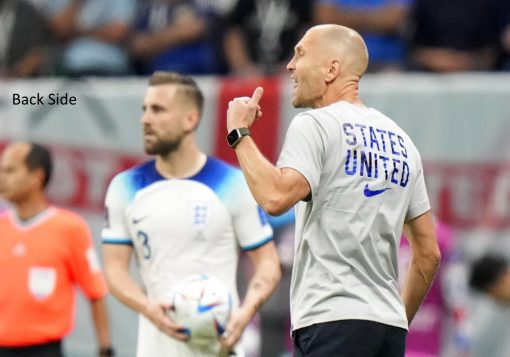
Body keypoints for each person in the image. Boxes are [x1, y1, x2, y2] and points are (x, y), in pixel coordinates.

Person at [225, 24, 441, 356]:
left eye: (300, 54)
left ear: (332, 69)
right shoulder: (402, 143)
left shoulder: (316, 125)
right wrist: (395, 320)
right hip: (388, 331)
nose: (290, 65)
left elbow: (275, 197)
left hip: (332, 321)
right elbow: (428, 255)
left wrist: (239, 133)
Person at [101, 71, 281, 357]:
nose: (145, 119)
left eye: (158, 110)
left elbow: (268, 265)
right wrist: (148, 307)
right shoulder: (124, 187)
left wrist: (246, 312)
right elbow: (114, 269)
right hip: (155, 348)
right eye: (144, 109)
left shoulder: (233, 183)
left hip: (221, 347)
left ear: (190, 119)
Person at [0, 142, 113, 357]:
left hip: (44, 350)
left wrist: (105, 348)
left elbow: (95, 292)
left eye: (10, 170)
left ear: (36, 176)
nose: (2, 177)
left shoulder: (69, 228)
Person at [400, 219, 470, 357]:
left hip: (390, 341)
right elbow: (457, 300)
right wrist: (464, 345)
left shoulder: (379, 229)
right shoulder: (443, 236)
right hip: (429, 346)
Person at [314, 0, 411, 72]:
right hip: (338, 63)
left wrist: (345, 18)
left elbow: (393, 20)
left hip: (387, 63)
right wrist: (377, 18)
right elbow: (326, 18)